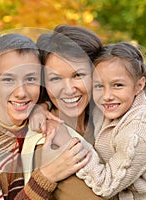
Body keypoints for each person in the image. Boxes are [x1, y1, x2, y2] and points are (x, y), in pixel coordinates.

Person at [0, 33, 88, 199]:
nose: (21, 92)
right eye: (8, 80)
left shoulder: (36, 122)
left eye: (31, 79)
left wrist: (42, 107)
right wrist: (47, 176)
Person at [75, 42, 146, 199]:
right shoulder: (113, 107)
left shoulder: (139, 132)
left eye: (117, 85)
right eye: (98, 86)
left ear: (139, 86)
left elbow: (105, 185)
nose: (107, 95)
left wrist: (73, 144)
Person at [22, 25, 103, 199]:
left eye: (78, 75)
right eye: (55, 78)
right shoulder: (49, 140)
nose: (68, 89)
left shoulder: (105, 119)